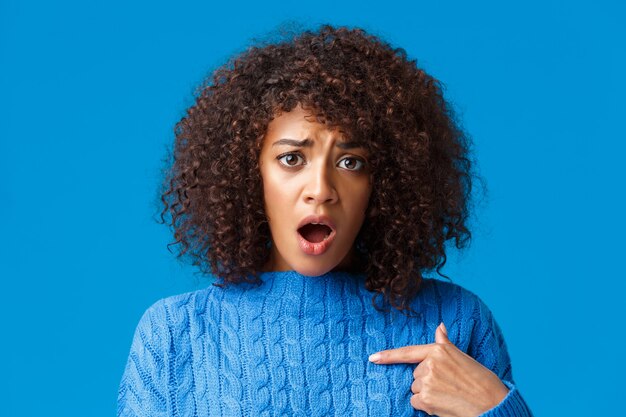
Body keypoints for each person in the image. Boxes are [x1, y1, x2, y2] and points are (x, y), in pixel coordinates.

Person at [117, 24, 534, 417]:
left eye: (350, 162)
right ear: (249, 175)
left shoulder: (456, 320)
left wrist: (493, 406)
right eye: (291, 158)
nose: (321, 188)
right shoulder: (175, 334)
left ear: (383, 184)